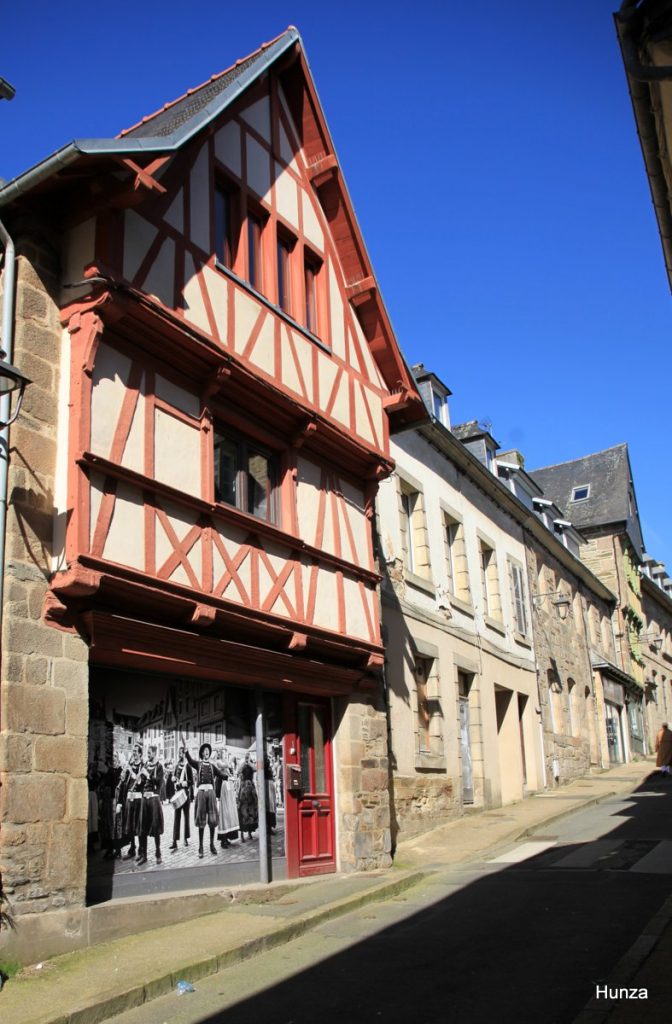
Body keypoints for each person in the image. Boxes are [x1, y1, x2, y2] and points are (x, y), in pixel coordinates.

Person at [181, 735, 227, 858]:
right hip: (201, 794)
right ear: (202, 753)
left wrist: (229, 777)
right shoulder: (198, 764)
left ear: (209, 753)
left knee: (212, 820)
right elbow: (190, 761)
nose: (206, 753)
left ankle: (212, 845)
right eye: (204, 751)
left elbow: (220, 774)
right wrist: (186, 752)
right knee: (201, 820)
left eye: (208, 751)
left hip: (211, 794)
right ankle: (201, 847)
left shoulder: (212, 766)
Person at [137, 745, 164, 866]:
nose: (147, 755)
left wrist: (147, 775)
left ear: (154, 753)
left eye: (149, 753)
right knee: (143, 828)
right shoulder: (146, 765)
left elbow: (158, 782)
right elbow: (142, 783)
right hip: (145, 798)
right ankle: (144, 855)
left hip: (154, 798)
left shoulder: (159, 766)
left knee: (155, 827)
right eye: (147, 753)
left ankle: (158, 853)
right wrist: (139, 780)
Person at [120, 743, 144, 859]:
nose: (134, 753)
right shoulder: (130, 764)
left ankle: (141, 849)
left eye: (136, 751)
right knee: (129, 824)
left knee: (138, 825)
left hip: (138, 798)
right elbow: (125, 781)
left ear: (140, 753)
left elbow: (140, 782)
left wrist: (132, 772)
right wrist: (124, 774)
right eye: (133, 751)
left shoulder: (142, 766)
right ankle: (132, 847)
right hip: (129, 797)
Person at [214, 749, 240, 848]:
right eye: (223, 753)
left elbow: (231, 771)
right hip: (222, 788)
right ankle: (223, 839)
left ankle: (228, 836)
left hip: (228, 788)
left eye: (225, 753)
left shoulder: (226, 762)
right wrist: (230, 762)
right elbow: (223, 765)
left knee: (229, 812)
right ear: (220, 754)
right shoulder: (219, 762)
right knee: (223, 813)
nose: (225, 754)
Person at [169, 747, 194, 851]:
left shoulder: (188, 766)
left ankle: (186, 838)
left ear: (184, 754)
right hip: (178, 793)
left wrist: (186, 783)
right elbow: (173, 778)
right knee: (176, 817)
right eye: (178, 753)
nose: (180, 754)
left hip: (185, 794)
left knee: (186, 816)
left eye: (181, 753)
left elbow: (192, 781)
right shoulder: (176, 765)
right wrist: (173, 779)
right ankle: (174, 841)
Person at [237, 757, 258, 841]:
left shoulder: (251, 765)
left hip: (251, 789)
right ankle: (242, 834)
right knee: (243, 810)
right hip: (244, 789)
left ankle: (249, 832)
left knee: (251, 810)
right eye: (245, 756)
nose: (246, 758)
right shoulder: (242, 765)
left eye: (248, 756)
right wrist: (243, 763)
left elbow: (255, 769)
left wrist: (248, 762)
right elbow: (237, 772)